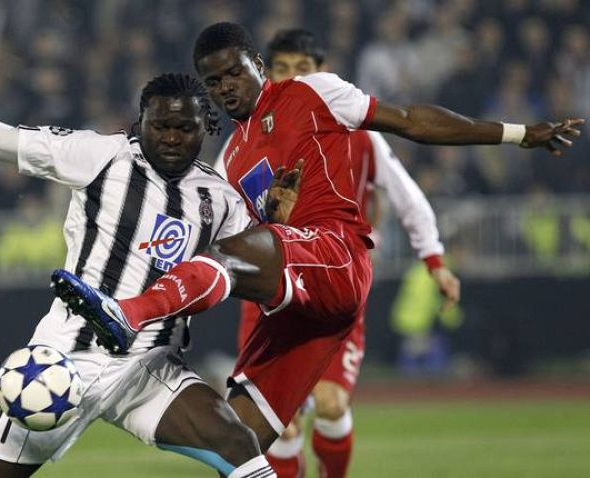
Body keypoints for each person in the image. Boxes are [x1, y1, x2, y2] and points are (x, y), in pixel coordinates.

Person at [50, 21, 584, 460]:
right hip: (287, 297)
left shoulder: (311, 93)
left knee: (250, 289)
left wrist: (516, 134)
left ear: (257, 64)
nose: (227, 86)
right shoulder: (226, 162)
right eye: (214, 82)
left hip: (335, 258)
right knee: (238, 440)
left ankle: (128, 311)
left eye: (236, 71)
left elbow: (411, 121)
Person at [0, 65, 289, 478]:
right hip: (60, 362)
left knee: (240, 446)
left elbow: (250, 263)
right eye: (160, 125)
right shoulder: (100, 156)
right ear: (138, 123)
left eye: (184, 128)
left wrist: (279, 223)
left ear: (205, 128)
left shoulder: (220, 200)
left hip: (149, 366)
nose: (170, 137)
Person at [216, 28, 461, 478]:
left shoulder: (359, 134)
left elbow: (407, 197)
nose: (292, 78)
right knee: (279, 428)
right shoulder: (237, 148)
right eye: (282, 69)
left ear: (321, 73)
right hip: (274, 291)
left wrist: (434, 259)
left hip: (332, 278)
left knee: (330, 403)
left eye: (302, 70)